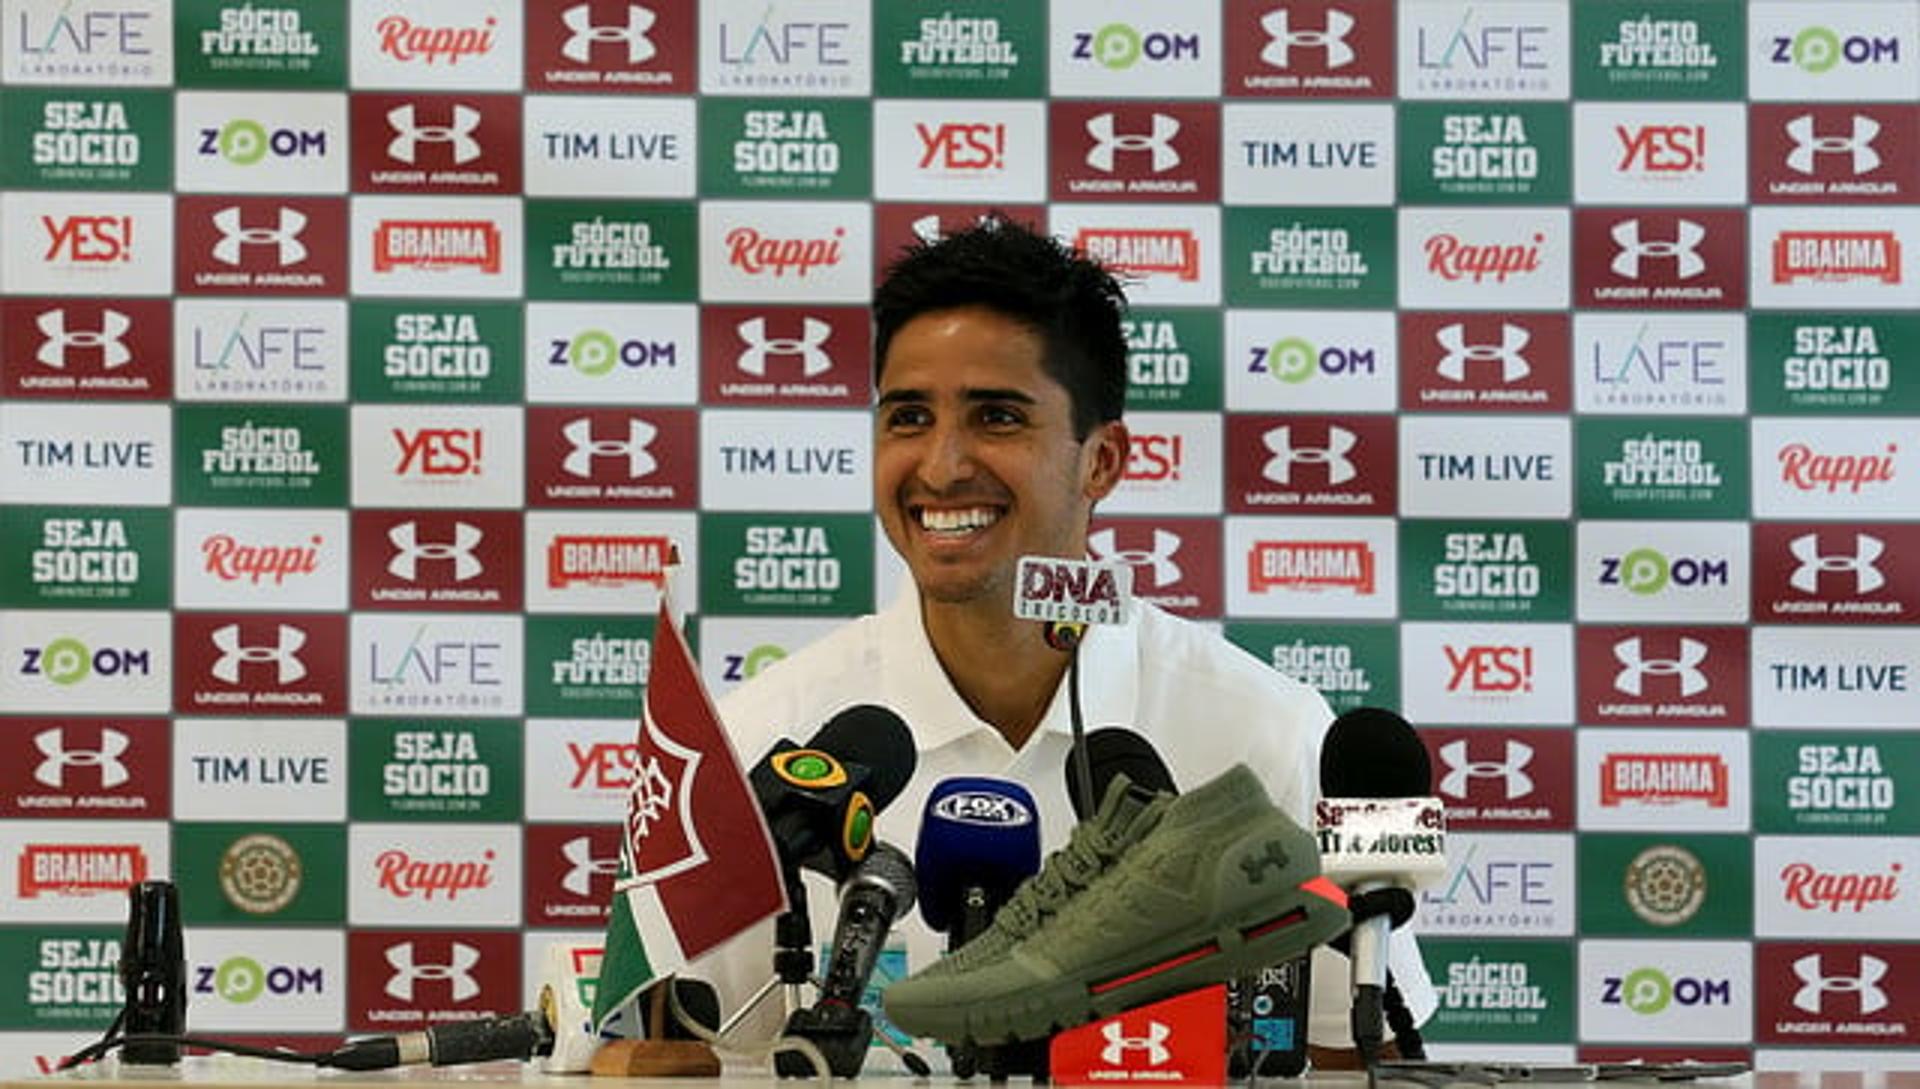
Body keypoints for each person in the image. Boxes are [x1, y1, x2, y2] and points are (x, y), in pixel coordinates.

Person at [700, 217, 1432, 1065]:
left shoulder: (1271, 730)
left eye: (997, 417)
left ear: (1104, 461)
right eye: (907, 416)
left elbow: (1357, 1058)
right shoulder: (761, 739)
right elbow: (682, 1057)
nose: (940, 467)